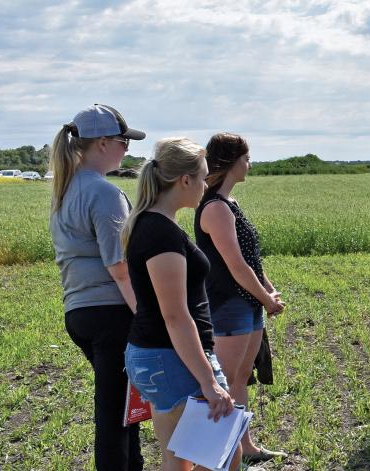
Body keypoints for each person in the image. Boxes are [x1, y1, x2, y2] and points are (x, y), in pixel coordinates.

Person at [121, 137, 240, 470]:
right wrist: (209, 382)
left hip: (158, 357)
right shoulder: (161, 234)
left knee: (178, 460)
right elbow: (175, 316)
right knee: (224, 456)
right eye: (202, 177)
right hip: (170, 359)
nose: (205, 184)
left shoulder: (154, 224)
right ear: (184, 180)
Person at [50, 104, 146, 470]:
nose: (127, 149)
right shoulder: (104, 193)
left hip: (79, 312)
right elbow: (120, 268)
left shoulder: (64, 189)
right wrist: (147, 318)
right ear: (103, 143)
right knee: (115, 415)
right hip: (111, 314)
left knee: (124, 407)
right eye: (124, 142)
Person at [195, 132, 287, 464]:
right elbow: (235, 266)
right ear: (232, 162)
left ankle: (243, 447)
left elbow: (251, 260)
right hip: (228, 305)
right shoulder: (215, 208)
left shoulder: (230, 204)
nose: (249, 164)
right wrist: (266, 299)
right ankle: (211, 457)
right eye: (246, 158)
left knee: (238, 381)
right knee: (223, 384)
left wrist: (268, 290)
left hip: (247, 302)